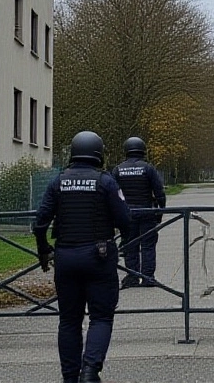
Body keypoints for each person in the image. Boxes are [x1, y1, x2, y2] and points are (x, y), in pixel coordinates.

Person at [33, 131, 132, 383]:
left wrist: (44, 248)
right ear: (98, 153)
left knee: (68, 321)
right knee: (101, 317)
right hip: (99, 256)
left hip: (65, 256)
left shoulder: (59, 181)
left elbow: (40, 221)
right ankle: (89, 372)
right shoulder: (105, 181)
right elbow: (125, 219)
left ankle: (70, 377)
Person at [112, 136, 167, 288]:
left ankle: (132, 276)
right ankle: (148, 277)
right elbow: (159, 193)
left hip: (127, 213)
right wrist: (160, 213)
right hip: (146, 212)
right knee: (148, 246)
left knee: (130, 246)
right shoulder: (148, 168)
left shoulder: (118, 170)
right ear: (143, 150)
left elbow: (114, 194)